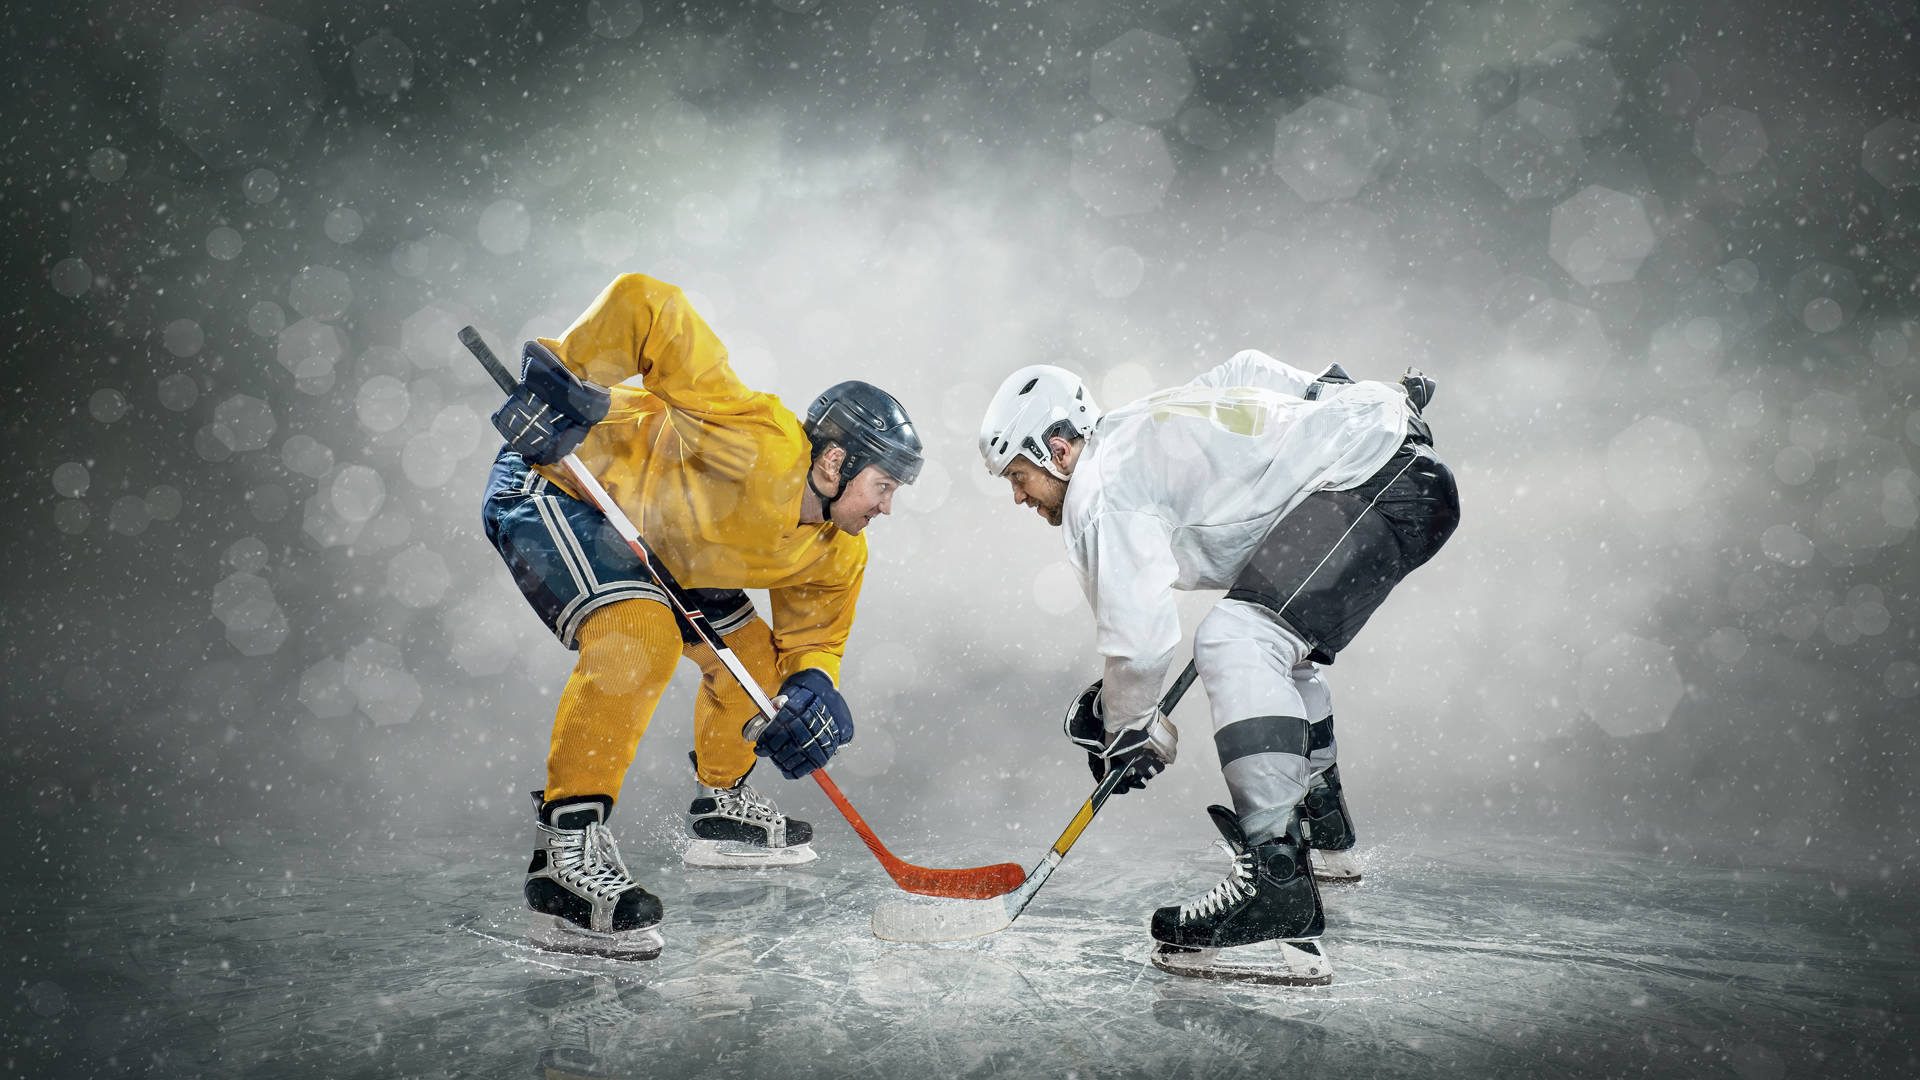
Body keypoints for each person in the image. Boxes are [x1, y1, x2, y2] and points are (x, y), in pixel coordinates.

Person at [976, 352, 1457, 984]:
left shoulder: (1102, 488)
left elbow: (1140, 644)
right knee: (1277, 649)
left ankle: (1277, 886)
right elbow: (1241, 370)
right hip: (1399, 471)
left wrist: (1127, 725)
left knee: (1237, 641)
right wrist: (1323, 390)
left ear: (1059, 448)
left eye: (1018, 474)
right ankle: (1324, 836)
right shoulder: (1138, 426)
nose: (1017, 495)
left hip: (1378, 481)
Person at [480, 273, 923, 959]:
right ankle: (562, 857)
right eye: (883, 486)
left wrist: (810, 689)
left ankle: (721, 806)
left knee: (758, 666)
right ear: (836, 461)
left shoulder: (838, 552)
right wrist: (564, 376)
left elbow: (815, 641)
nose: (887, 506)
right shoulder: (762, 444)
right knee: (639, 639)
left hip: (670, 544)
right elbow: (646, 305)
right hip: (560, 485)